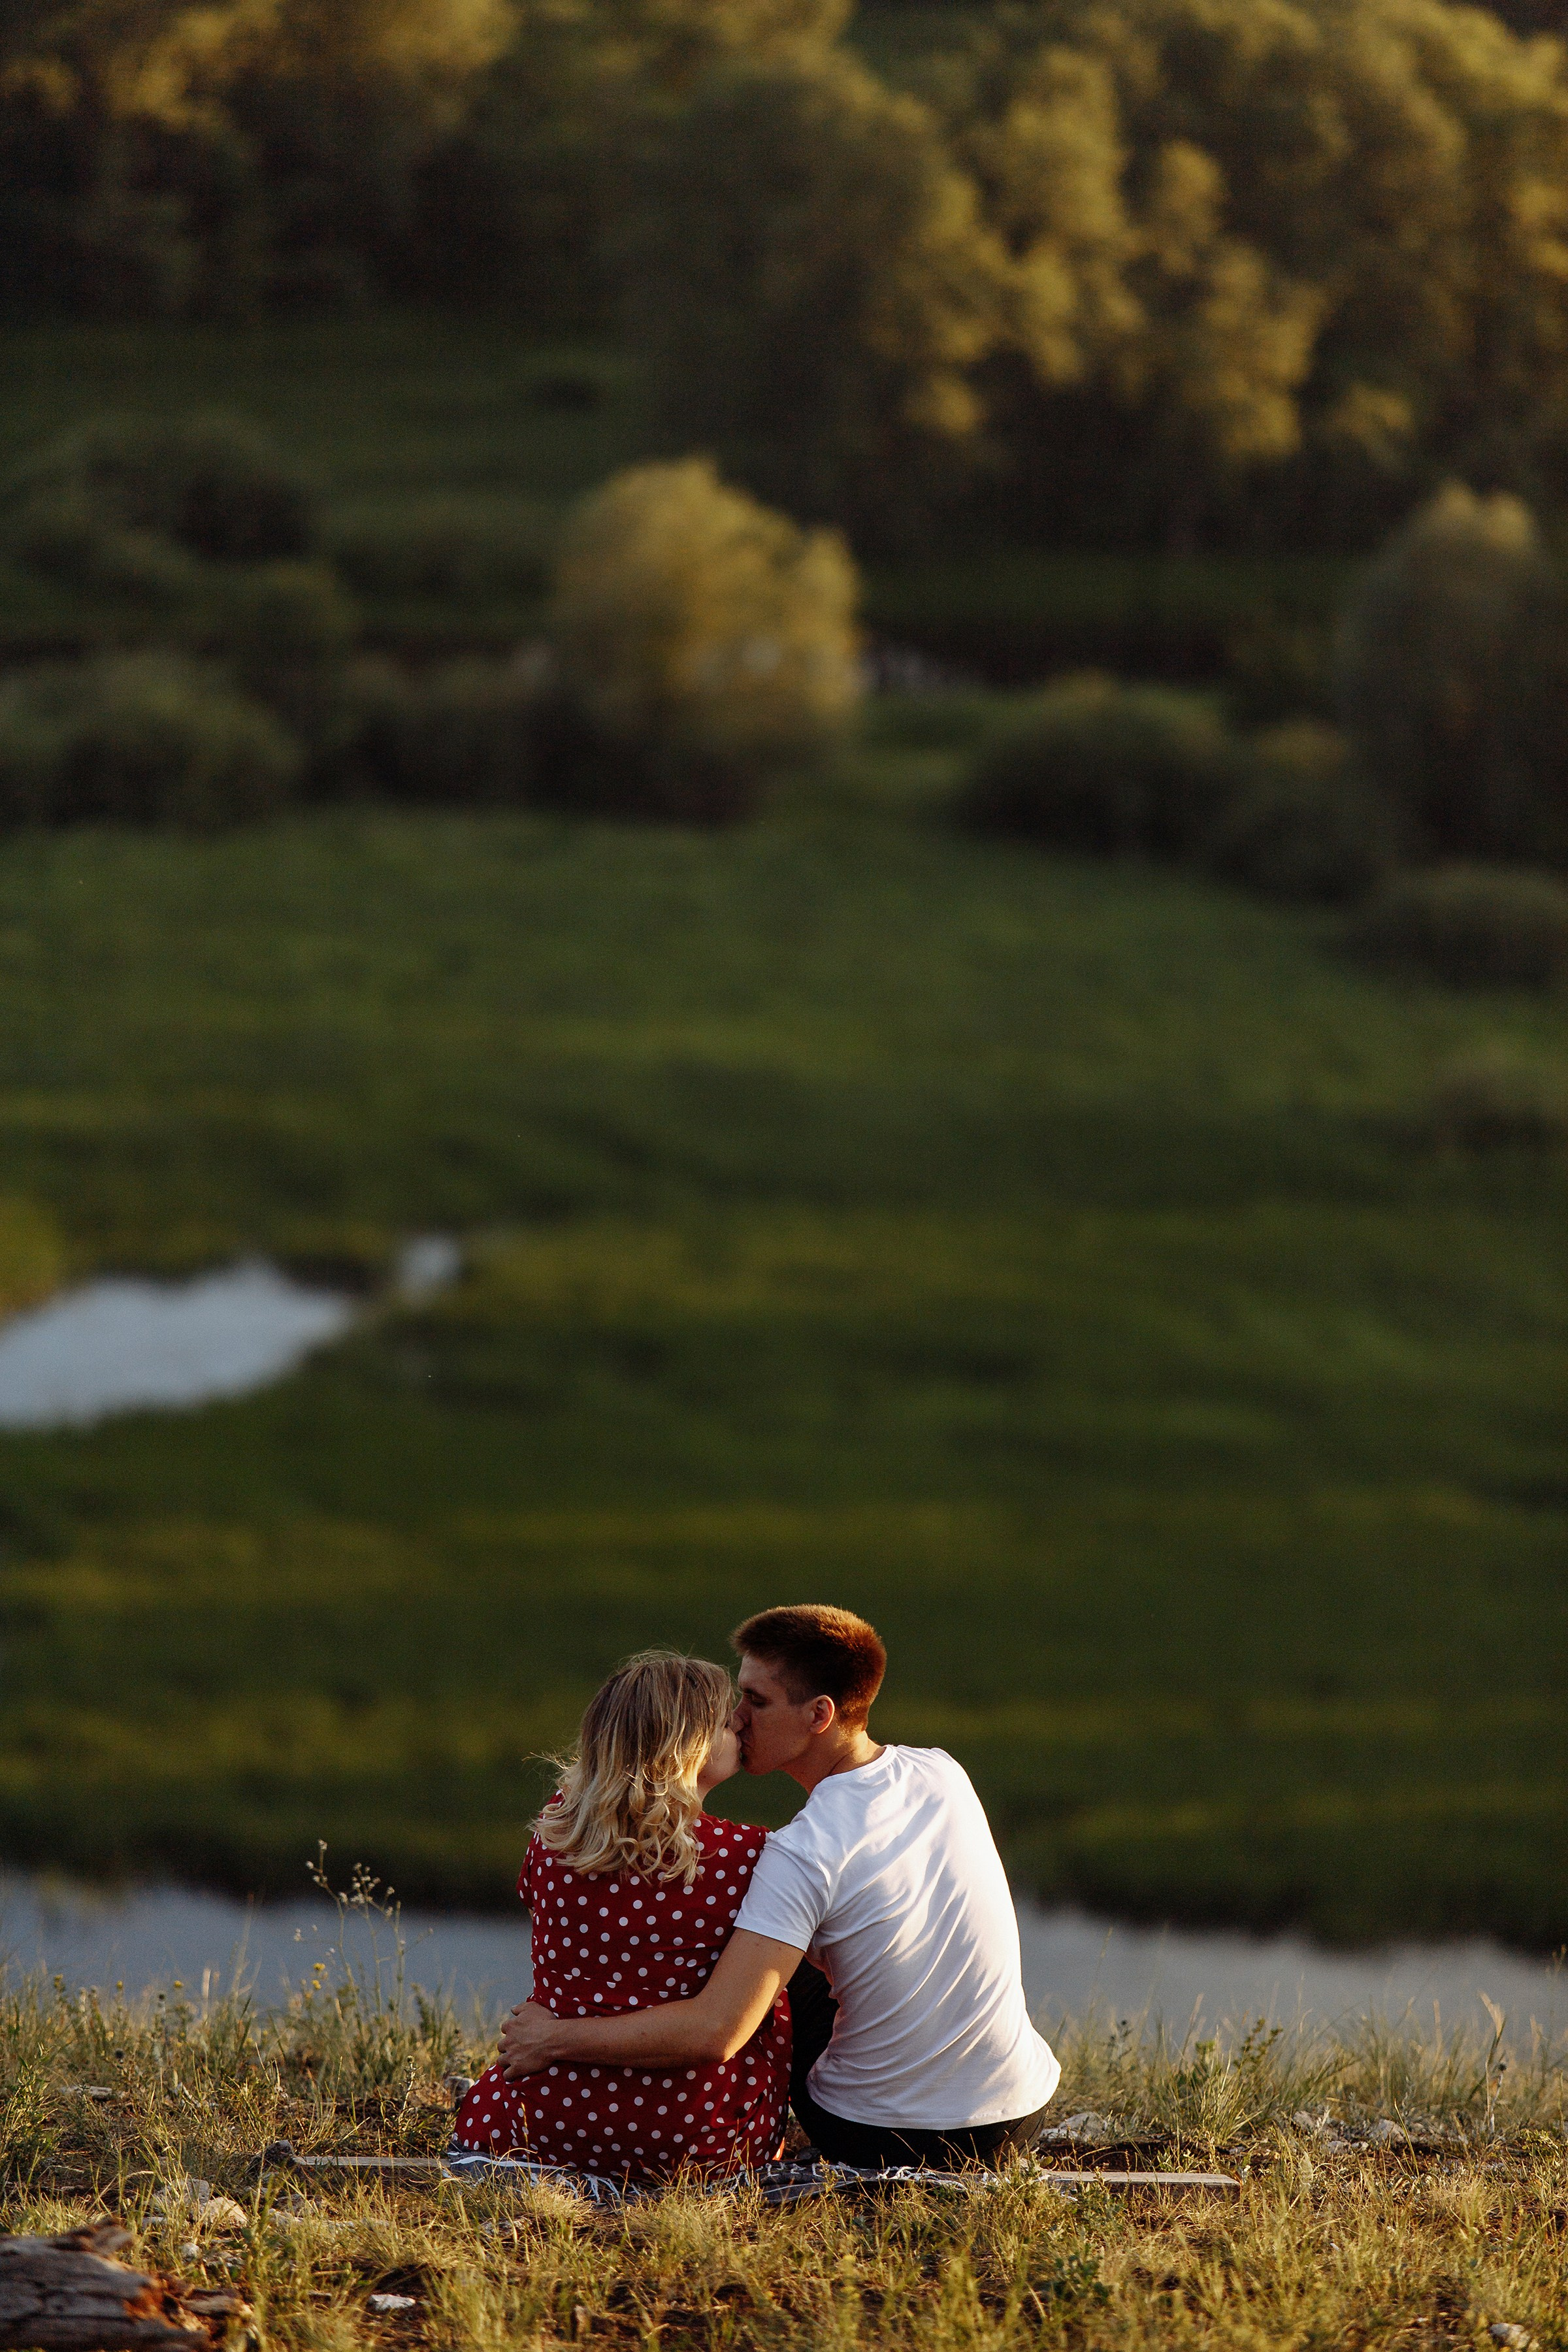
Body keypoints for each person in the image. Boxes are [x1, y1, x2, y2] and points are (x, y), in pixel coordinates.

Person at [500, 1604, 1059, 2169]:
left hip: (879, 2136)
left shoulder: (798, 1852)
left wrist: (555, 2038)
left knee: (765, 1975)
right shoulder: (942, 1771)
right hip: (1018, 2114)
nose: (738, 1719)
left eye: (757, 1701)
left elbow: (719, 2029)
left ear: (819, 1715)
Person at [455, 1650, 791, 2178]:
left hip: (534, 2120)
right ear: (691, 1749)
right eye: (728, 1723)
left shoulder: (557, 1829)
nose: (742, 1727)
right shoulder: (748, 1856)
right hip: (688, 2139)